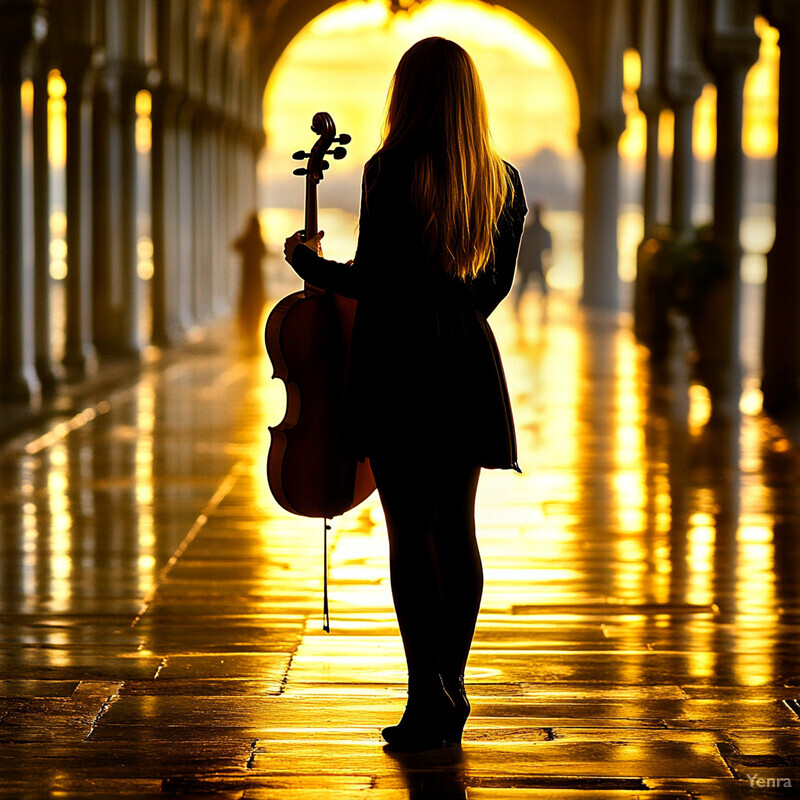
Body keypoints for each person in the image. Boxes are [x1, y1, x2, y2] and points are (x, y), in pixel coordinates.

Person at [283, 37, 526, 750]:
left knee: (409, 533)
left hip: (396, 364)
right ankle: (453, 684)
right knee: (458, 529)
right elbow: (492, 288)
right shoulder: (503, 180)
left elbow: (376, 278)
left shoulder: (389, 171)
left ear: (407, 94)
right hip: (466, 361)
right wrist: (446, 310)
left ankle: (428, 697)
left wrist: (310, 263)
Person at [232, 211, 267, 350]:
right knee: (256, 305)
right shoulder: (258, 240)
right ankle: (252, 333)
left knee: (247, 306)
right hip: (256, 280)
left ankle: (248, 333)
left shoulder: (247, 239)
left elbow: (235, 245)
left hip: (248, 280)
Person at [512, 202, 551, 314]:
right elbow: (521, 249)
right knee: (526, 288)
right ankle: (518, 308)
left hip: (534, 264)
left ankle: (543, 309)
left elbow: (548, 251)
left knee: (541, 289)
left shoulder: (530, 230)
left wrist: (548, 265)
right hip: (532, 264)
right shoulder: (537, 231)